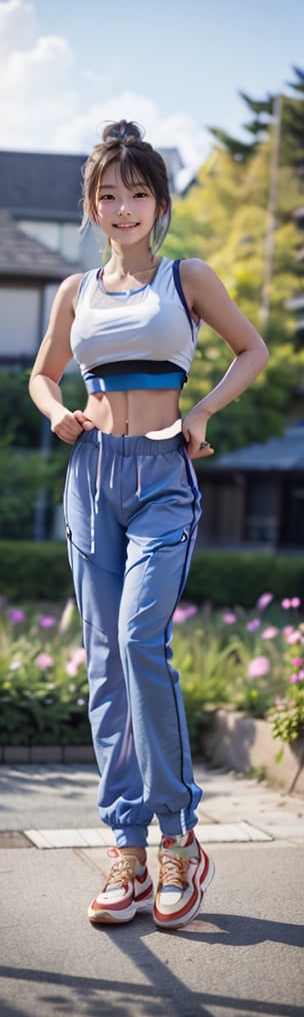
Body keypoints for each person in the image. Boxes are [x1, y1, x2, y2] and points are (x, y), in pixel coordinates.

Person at [29, 119, 269, 930]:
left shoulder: (186, 278)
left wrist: (202, 410)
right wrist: (59, 410)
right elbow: (39, 374)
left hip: (164, 477)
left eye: (136, 193)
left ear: (158, 202)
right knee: (103, 662)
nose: (122, 207)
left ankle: (180, 838)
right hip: (91, 480)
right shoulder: (74, 292)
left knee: (139, 639)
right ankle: (124, 849)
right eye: (108, 195)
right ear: (92, 207)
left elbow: (252, 350)